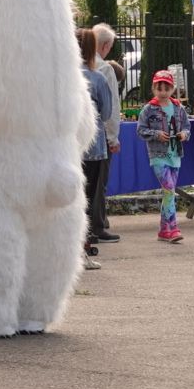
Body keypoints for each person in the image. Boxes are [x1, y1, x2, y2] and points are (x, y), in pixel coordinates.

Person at [137, 70, 189, 244]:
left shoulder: (178, 108)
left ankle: (163, 230)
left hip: (175, 155)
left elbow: (188, 128)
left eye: (167, 88)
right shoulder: (148, 109)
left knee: (169, 193)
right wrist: (156, 133)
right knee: (169, 190)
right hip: (158, 156)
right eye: (159, 88)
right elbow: (140, 130)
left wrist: (183, 134)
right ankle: (173, 229)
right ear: (153, 88)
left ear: (172, 88)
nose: (163, 92)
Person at [78, 29, 114, 269]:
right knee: (89, 199)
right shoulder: (96, 78)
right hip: (93, 146)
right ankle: (84, 249)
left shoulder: (61, 77)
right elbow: (107, 112)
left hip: (68, 146)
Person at [88, 24, 123, 241]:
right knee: (99, 182)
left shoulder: (74, 67)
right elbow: (111, 108)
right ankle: (97, 225)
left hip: (77, 135)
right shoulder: (105, 70)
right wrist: (113, 137)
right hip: (98, 134)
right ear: (106, 45)